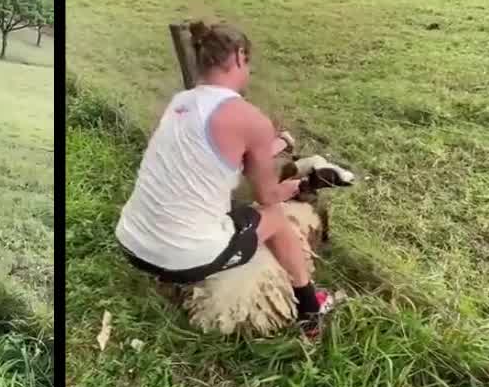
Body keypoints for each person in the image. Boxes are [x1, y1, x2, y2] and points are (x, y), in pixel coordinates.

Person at [115, 21, 336, 338]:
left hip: (131, 242)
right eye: (248, 63)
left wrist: (278, 144)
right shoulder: (249, 117)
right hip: (180, 257)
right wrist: (291, 187)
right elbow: (268, 195)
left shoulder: (180, 103)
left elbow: (223, 157)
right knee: (273, 216)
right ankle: (310, 310)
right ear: (239, 57)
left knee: (227, 203)